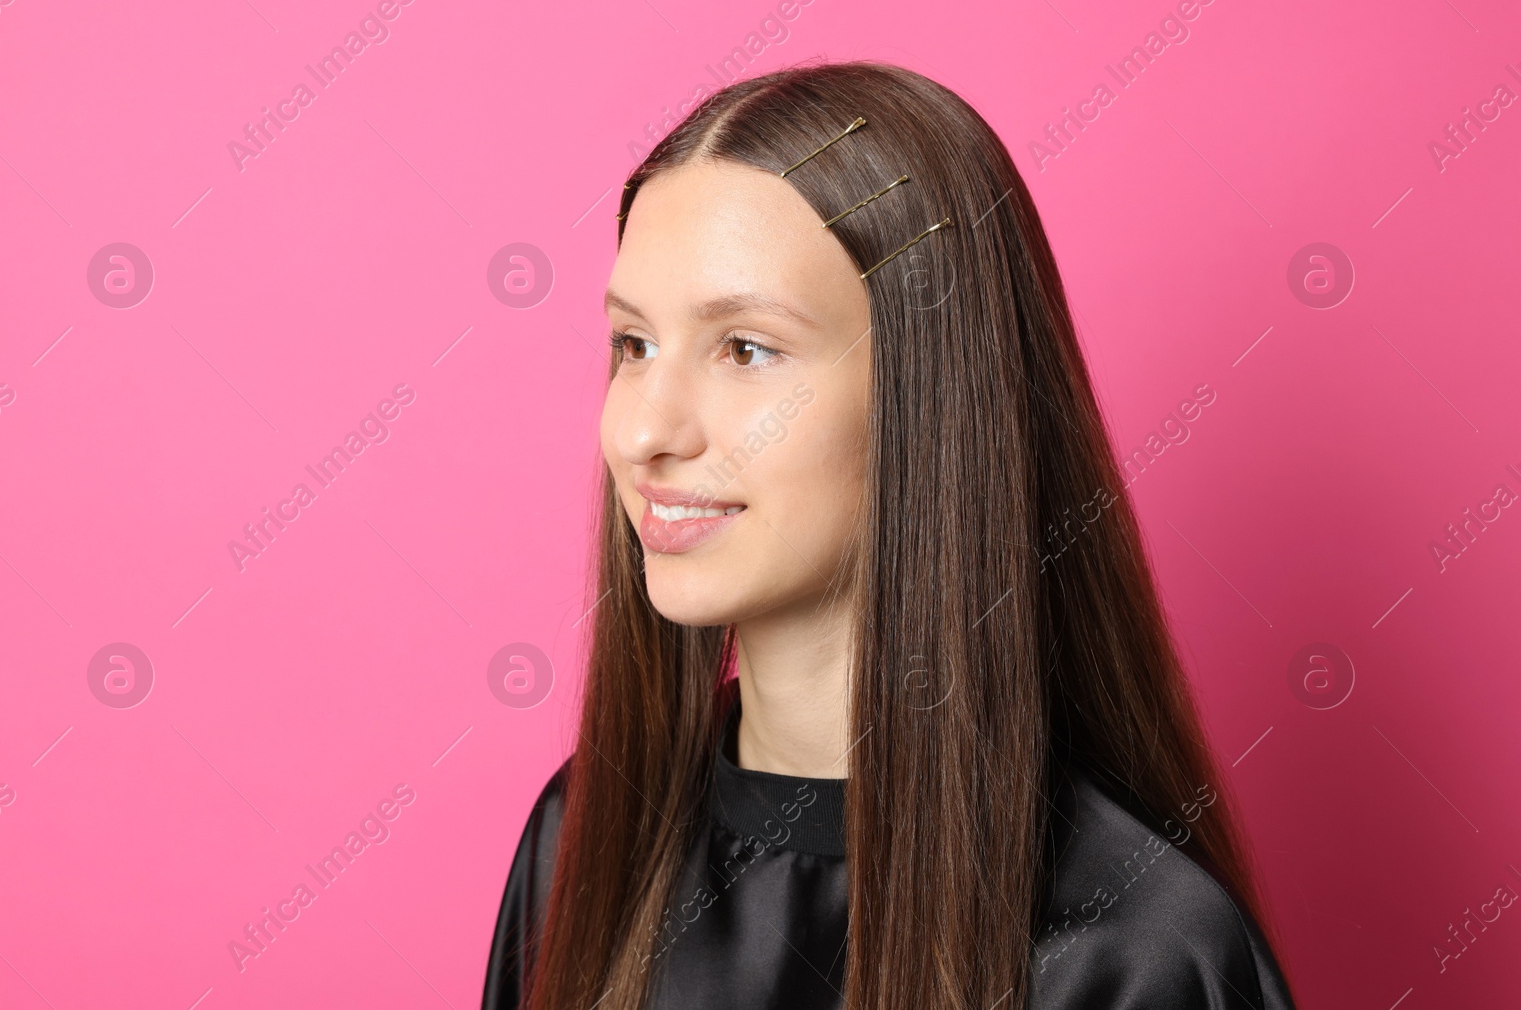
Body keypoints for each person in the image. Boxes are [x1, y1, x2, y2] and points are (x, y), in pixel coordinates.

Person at [481, 60, 1298, 1010]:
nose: (642, 433)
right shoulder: (582, 838)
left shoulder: (1131, 957)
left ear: (933, 393)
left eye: (746, 349)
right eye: (634, 345)